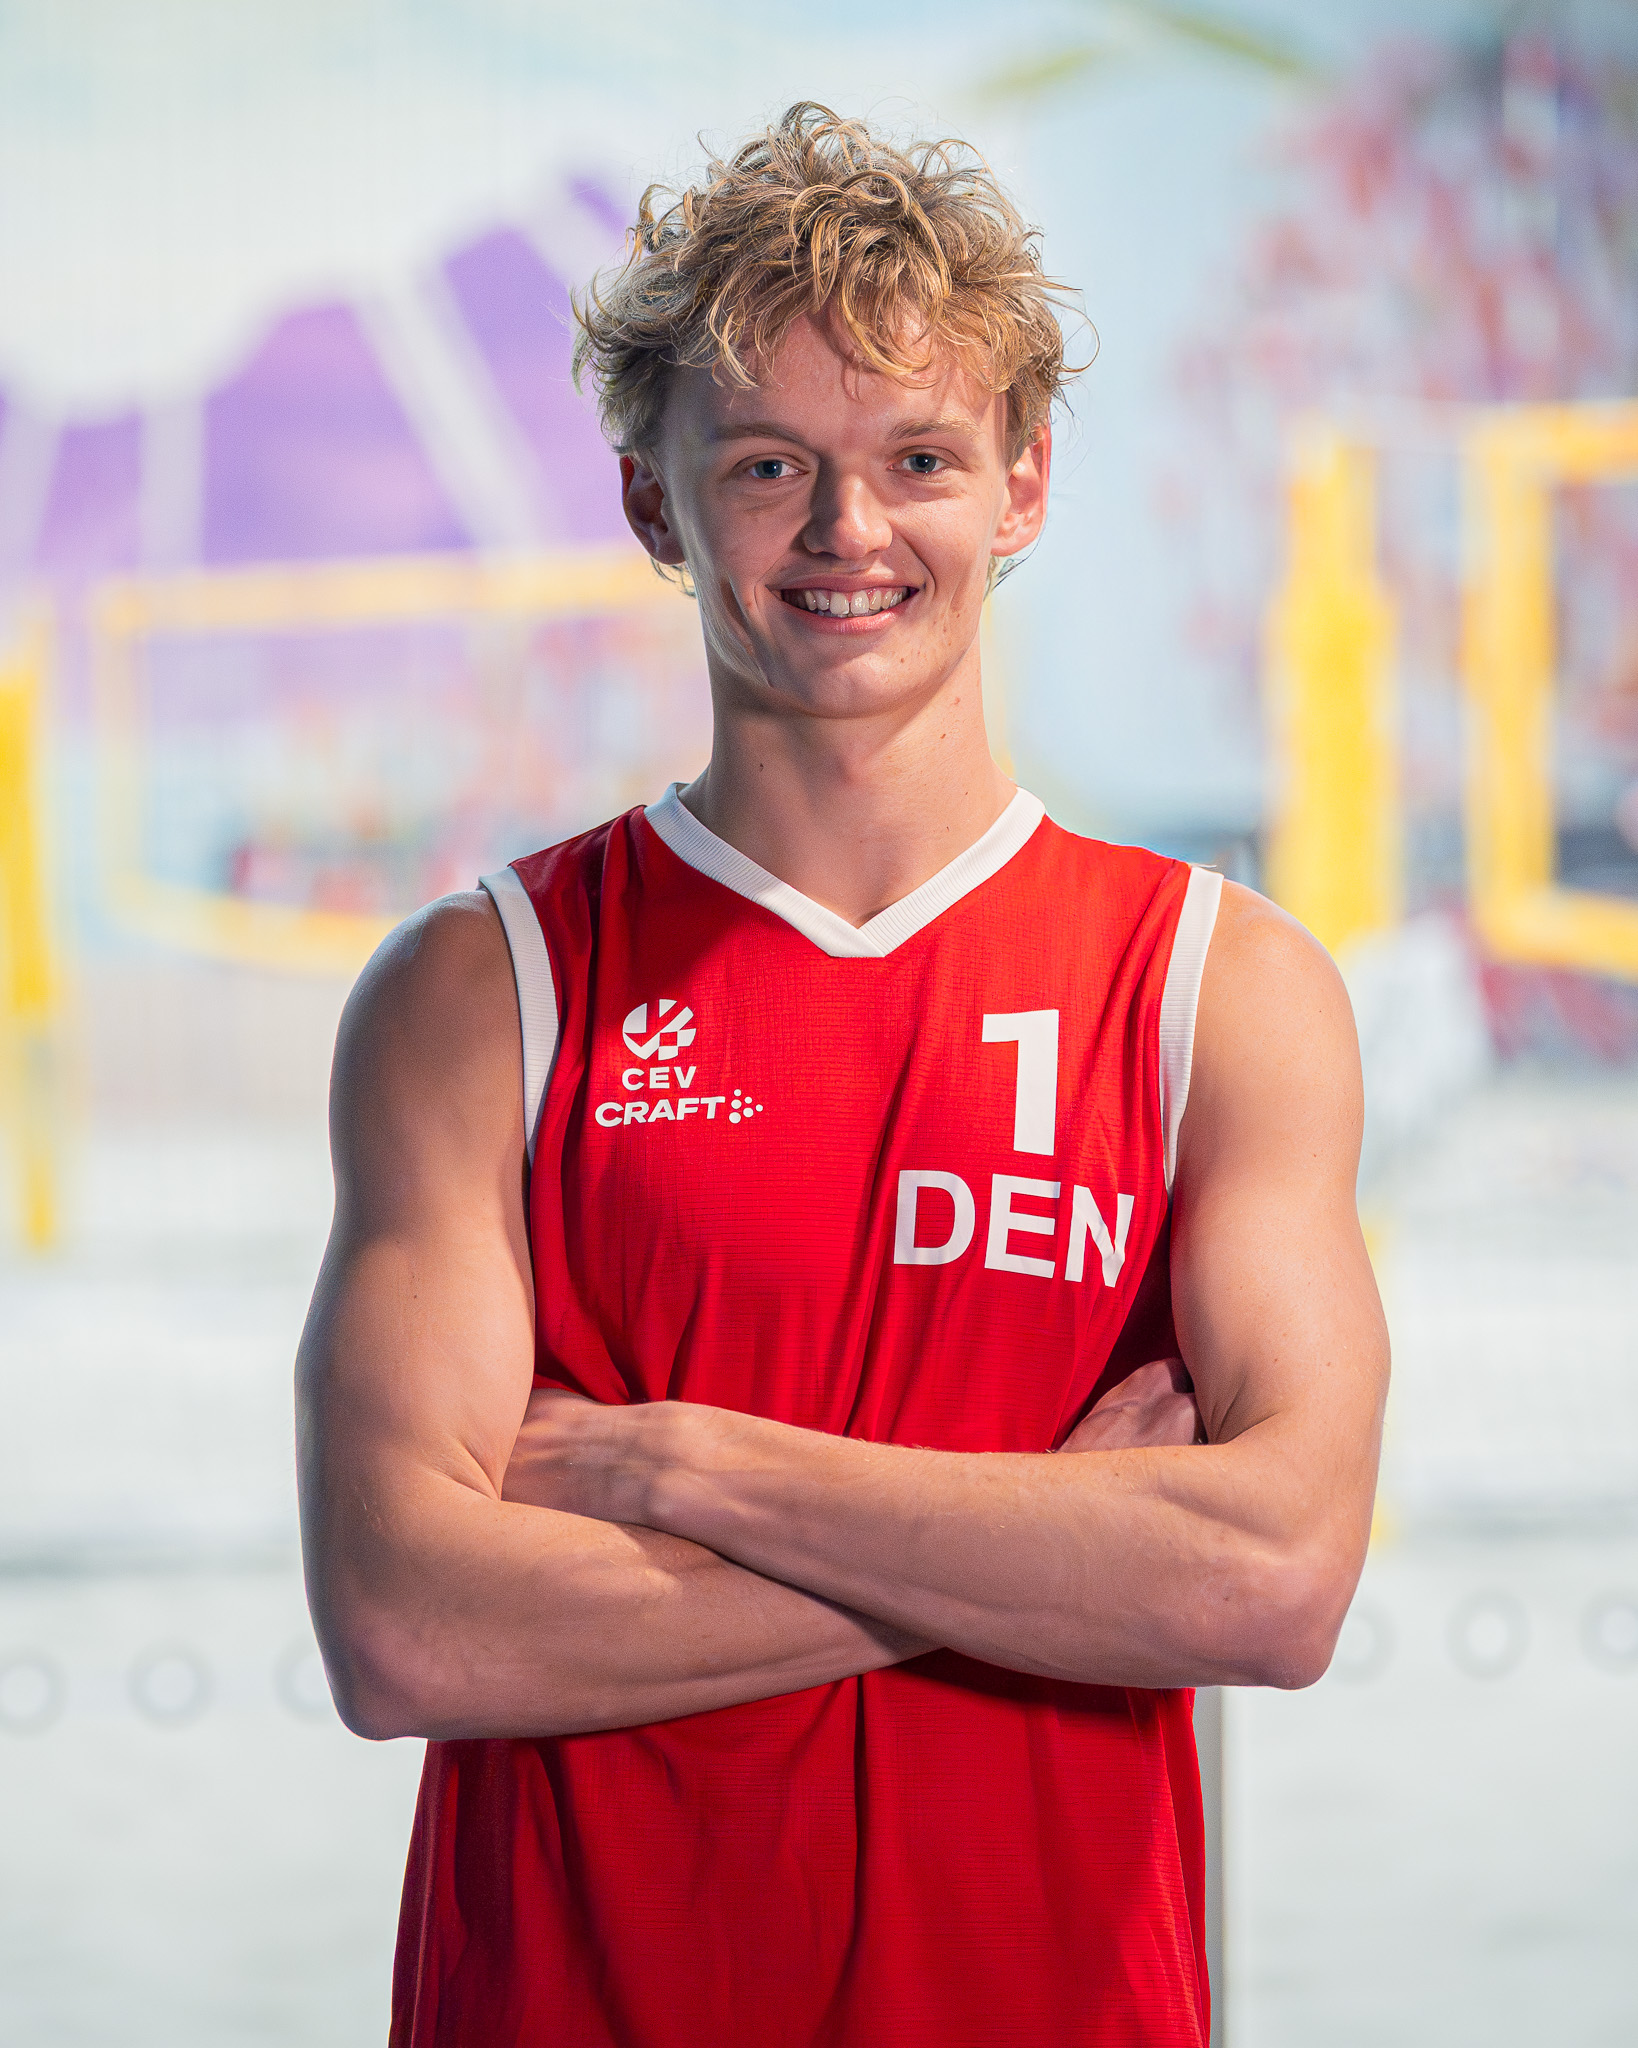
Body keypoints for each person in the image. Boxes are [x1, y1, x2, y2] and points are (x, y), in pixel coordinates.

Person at [296, 103, 1388, 2048]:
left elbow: (1270, 1586)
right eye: (768, 465)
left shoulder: (1216, 991)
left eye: (918, 459)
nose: (847, 533)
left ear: (1023, 484)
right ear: (654, 504)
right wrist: (1055, 1546)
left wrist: (679, 1464)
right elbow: (406, 1627)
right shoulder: (482, 993)